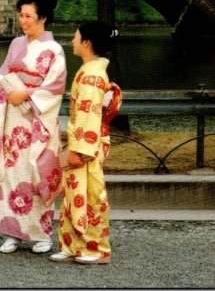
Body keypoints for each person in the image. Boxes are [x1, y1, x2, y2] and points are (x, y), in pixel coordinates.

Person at [0, 0, 66, 254]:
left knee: (36, 176)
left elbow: (55, 88)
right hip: (13, 120)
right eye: (21, 15)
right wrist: (8, 92)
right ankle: (11, 231)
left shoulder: (54, 50)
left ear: (43, 18)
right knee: (10, 176)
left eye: (28, 16)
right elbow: (2, 76)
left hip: (37, 123)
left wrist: (27, 93)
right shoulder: (15, 45)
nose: (23, 21)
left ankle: (42, 234)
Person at [50, 21, 122, 265]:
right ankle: (72, 244)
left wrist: (79, 150)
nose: (72, 41)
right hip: (82, 137)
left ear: (87, 43)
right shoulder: (90, 71)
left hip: (87, 143)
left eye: (75, 36)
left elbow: (88, 115)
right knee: (73, 193)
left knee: (90, 195)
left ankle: (96, 248)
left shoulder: (92, 75)